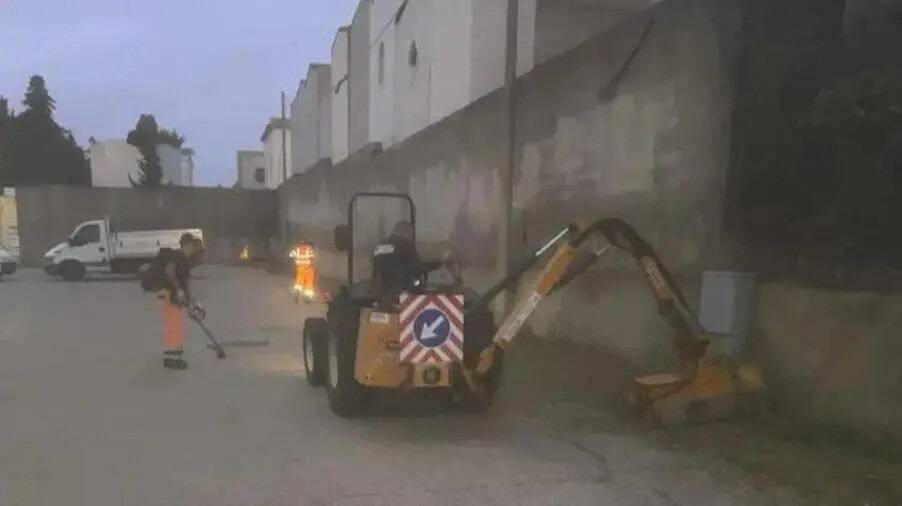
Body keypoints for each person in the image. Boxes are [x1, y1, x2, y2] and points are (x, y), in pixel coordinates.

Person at [143, 233, 205, 370]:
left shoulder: (186, 263)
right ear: (187, 245)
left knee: (175, 324)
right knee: (173, 325)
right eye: (193, 246)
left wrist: (193, 304)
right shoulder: (177, 257)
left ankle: (174, 353)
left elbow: (187, 284)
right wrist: (179, 291)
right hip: (166, 291)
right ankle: (171, 359)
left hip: (171, 292)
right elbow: (170, 272)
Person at [371, 220, 452, 304]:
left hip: (380, 295)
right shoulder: (405, 246)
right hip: (400, 295)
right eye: (410, 234)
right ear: (405, 232)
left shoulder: (380, 246)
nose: (410, 237)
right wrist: (440, 261)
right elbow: (419, 267)